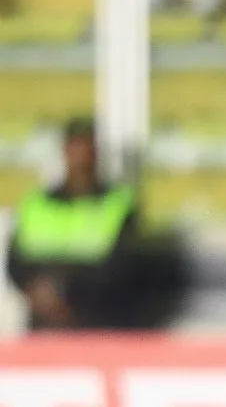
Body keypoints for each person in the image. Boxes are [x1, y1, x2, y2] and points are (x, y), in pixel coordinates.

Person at [7, 119, 138, 331]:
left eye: (87, 150)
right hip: (42, 326)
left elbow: (121, 269)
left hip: (94, 324)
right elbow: (16, 265)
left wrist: (67, 295)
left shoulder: (118, 205)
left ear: (96, 154)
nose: (81, 158)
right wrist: (40, 294)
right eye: (75, 148)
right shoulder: (36, 204)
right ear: (64, 151)